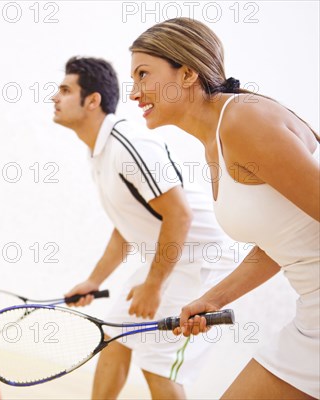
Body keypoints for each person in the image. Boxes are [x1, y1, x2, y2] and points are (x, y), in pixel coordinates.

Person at [128, 18, 319, 399]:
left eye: (143, 74)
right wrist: (213, 299)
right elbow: (286, 240)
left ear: (186, 73)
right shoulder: (219, 138)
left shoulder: (242, 121)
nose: (134, 93)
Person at [54, 56, 237, 400]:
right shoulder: (101, 153)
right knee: (115, 334)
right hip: (172, 258)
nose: (55, 97)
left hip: (202, 261)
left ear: (92, 101)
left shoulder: (128, 146)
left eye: (65, 90)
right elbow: (127, 226)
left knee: (158, 363)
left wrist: (153, 286)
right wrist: (95, 281)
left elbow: (179, 216)